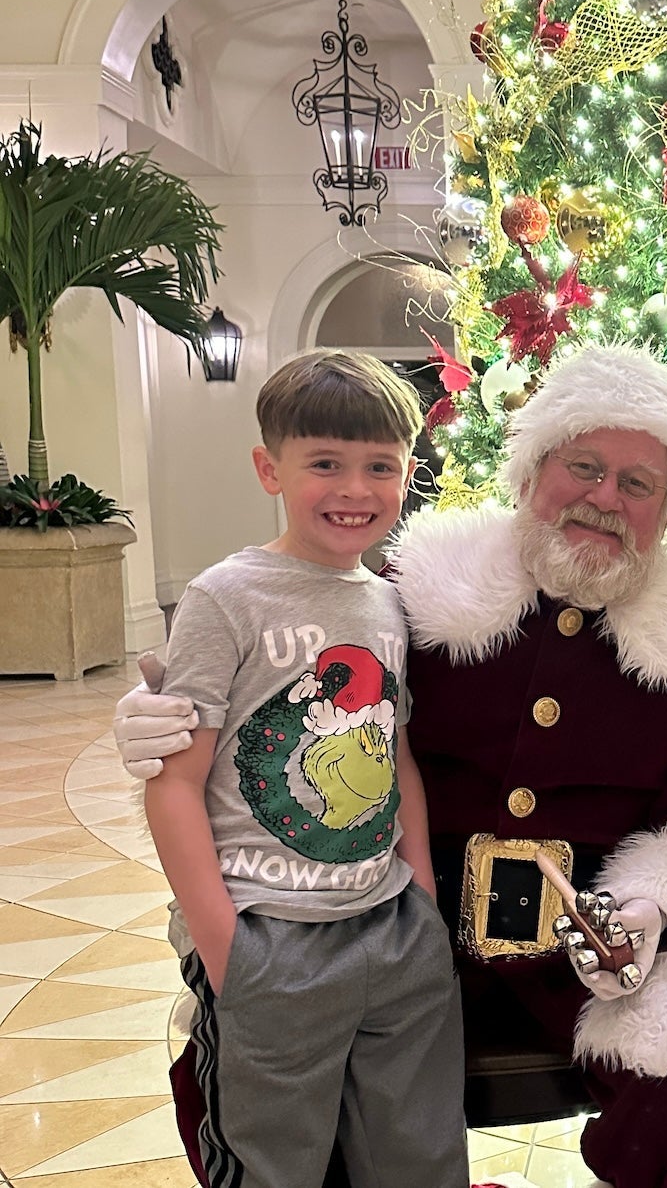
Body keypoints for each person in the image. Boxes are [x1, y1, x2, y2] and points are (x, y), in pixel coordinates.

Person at [116, 343, 667, 1188]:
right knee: (240, 1089)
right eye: (583, 466)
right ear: (532, 470)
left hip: (596, 969)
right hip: (401, 937)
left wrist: (651, 909)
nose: (604, 498)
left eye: (638, 484)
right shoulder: (416, 588)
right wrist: (160, 717)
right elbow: (283, 670)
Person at [139, 350, 468, 1188]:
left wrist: (421, 896)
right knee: (274, 1165)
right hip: (269, 933)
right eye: (325, 463)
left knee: (419, 1157)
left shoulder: (390, 602)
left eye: (379, 467)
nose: (354, 489)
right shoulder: (225, 598)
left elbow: (396, 755)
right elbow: (175, 782)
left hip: (391, 927)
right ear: (269, 469)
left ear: (408, 473)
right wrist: (225, 949)